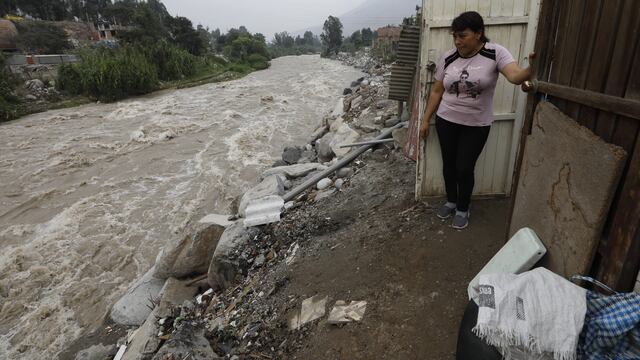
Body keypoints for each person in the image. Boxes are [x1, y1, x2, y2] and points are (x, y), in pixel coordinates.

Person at [419, 11, 533, 229]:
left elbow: (516, 77)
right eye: (455, 36)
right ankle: (451, 201)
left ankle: (463, 207)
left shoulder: (496, 53)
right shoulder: (449, 57)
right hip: (446, 119)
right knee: (449, 165)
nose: (457, 41)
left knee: (464, 167)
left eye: (462, 36)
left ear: (479, 33)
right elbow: (436, 91)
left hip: (476, 124)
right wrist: (425, 120)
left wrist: (532, 68)